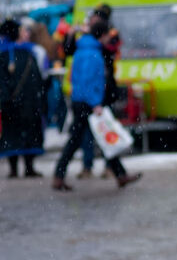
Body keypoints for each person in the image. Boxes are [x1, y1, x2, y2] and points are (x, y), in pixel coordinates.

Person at [52, 21, 141, 191]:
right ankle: (59, 175)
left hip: (81, 100)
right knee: (88, 137)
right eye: (108, 35)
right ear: (102, 35)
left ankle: (120, 174)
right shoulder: (92, 53)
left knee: (98, 136)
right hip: (88, 103)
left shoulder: (84, 48)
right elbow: (89, 81)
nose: (109, 39)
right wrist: (95, 104)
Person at [0, 20, 45, 178]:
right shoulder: (9, 54)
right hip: (19, 103)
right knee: (18, 134)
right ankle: (20, 168)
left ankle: (26, 167)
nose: (25, 33)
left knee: (20, 134)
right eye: (22, 30)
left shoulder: (27, 52)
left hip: (23, 103)